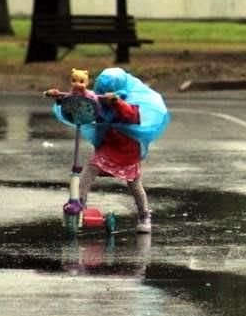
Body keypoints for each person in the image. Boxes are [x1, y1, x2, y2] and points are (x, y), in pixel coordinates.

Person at [48, 67, 171, 233]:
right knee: (91, 167)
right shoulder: (97, 99)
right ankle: (79, 202)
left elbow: (132, 116)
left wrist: (117, 102)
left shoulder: (133, 101)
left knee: (134, 183)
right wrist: (59, 98)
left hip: (127, 148)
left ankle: (144, 215)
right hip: (109, 145)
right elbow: (81, 102)